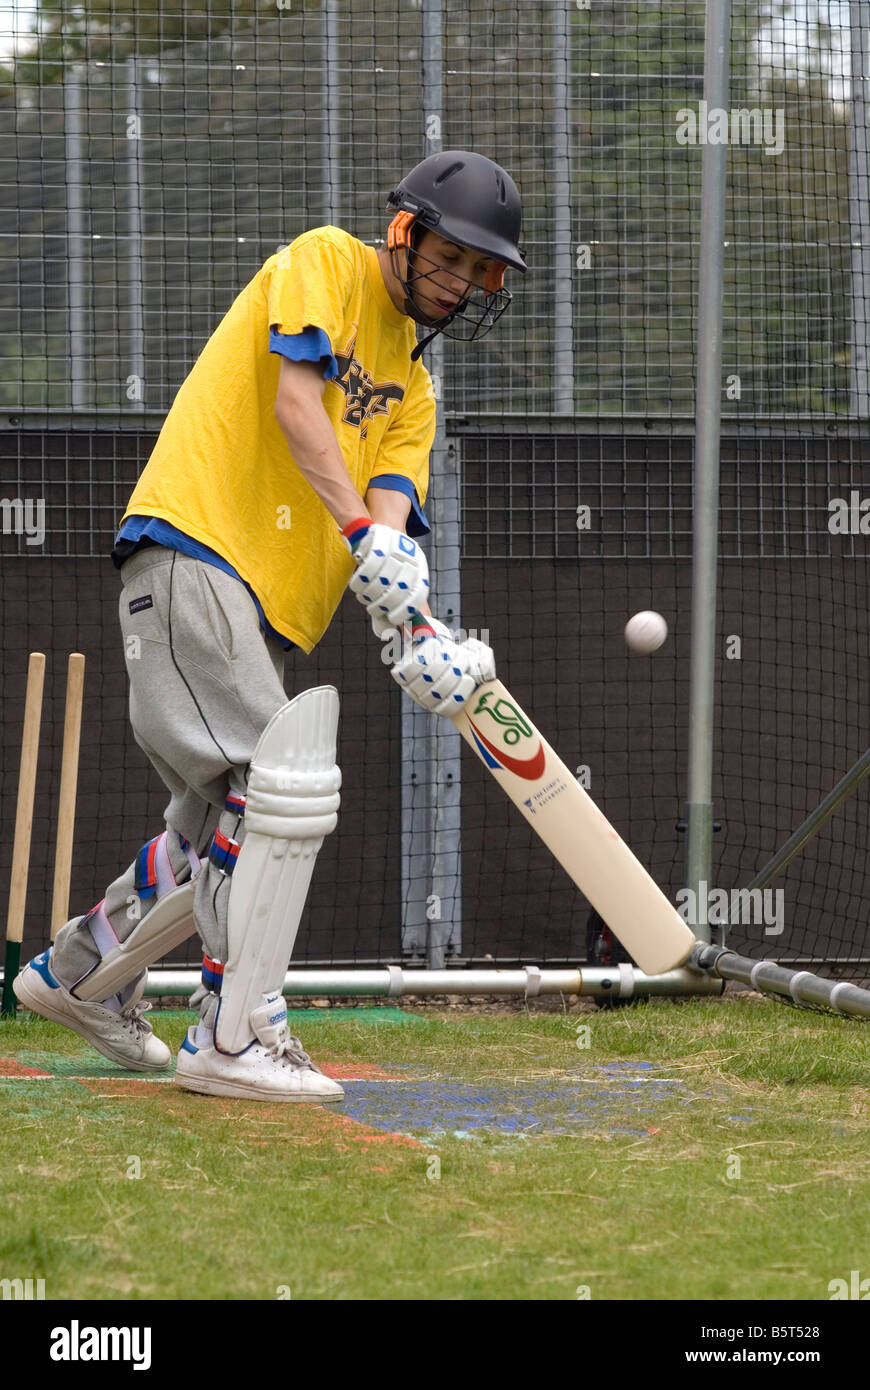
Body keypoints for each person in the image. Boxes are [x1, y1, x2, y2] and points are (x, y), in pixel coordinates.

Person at [14, 150, 526, 1102]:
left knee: (216, 824)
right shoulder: (324, 262)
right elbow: (299, 410)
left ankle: (78, 974)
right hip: (197, 550)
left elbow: (384, 528)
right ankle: (234, 1033)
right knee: (276, 787)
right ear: (405, 234)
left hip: (270, 614)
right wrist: (361, 538)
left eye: (483, 274)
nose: (463, 287)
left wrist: (423, 635)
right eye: (453, 260)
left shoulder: (415, 394)